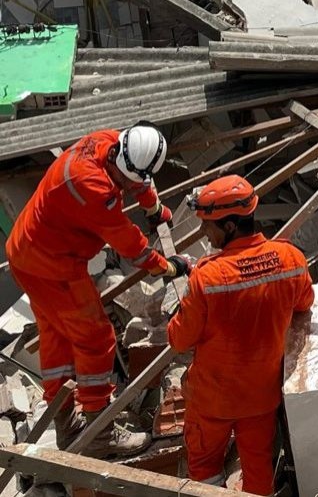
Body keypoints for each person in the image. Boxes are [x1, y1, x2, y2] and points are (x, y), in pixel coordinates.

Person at [5, 123, 184, 458]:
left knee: (56, 336)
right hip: (52, 264)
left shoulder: (111, 141)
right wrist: (169, 266)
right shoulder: (91, 186)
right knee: (97, 338)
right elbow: (130, 245)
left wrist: (154, 208)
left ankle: (67, 426)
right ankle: (100, 433)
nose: (131, 186)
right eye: (129, 181)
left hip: (27, 251)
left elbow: (141, 180)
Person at [168, 175, 314, 495]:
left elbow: (179, 339)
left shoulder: (207, 278)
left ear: (230, 226)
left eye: (209, 225)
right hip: (260, 398)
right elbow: (304, 304)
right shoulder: (290, 259)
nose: (205, 233)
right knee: (259, 473)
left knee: (205, 470)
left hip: (212, 399)